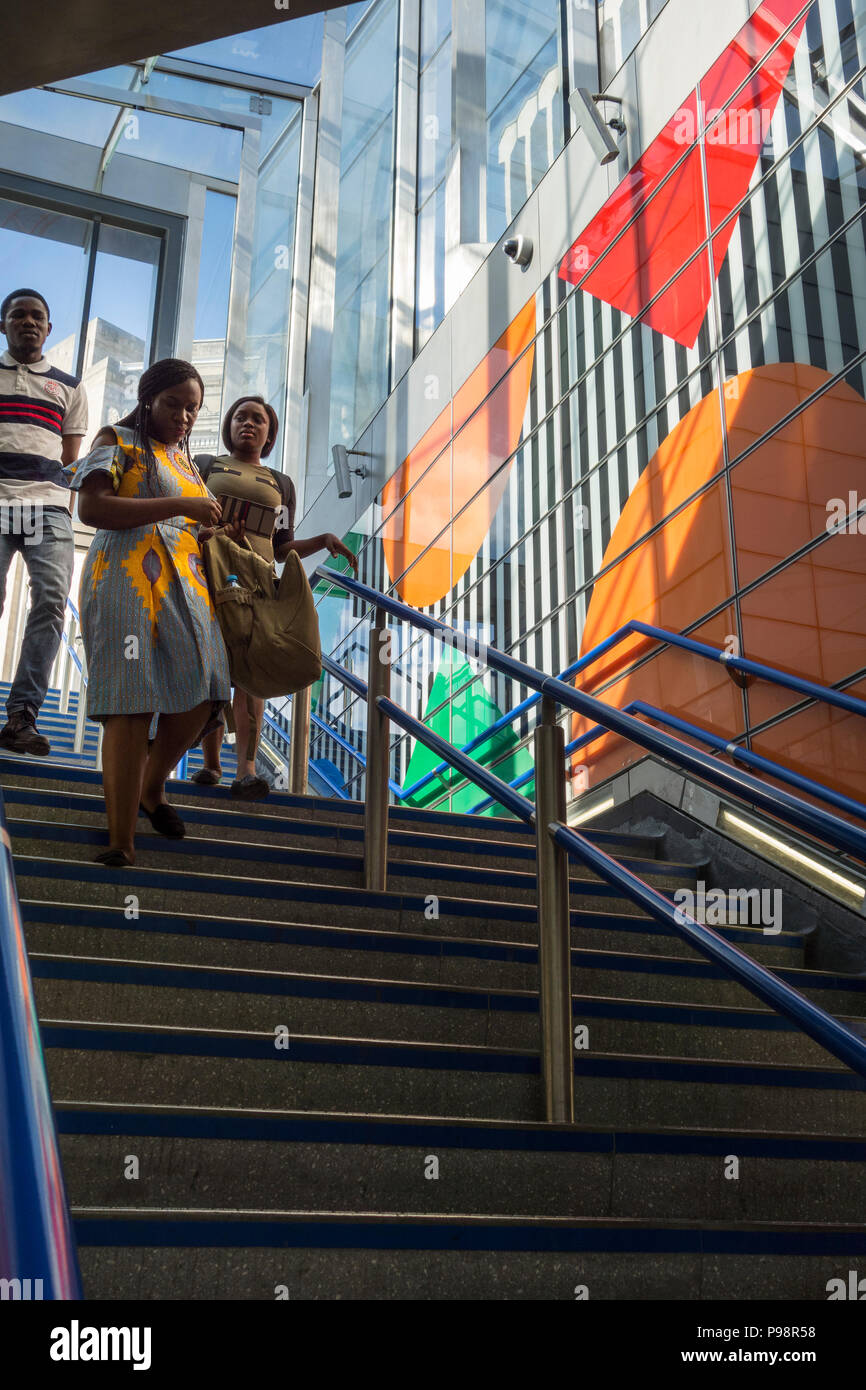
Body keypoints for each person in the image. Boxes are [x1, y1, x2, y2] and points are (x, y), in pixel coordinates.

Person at [64, 358, 230, 866]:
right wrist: (179, 508)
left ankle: (151, 787)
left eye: (193, 409)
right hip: (124, 579)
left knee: (208, 688)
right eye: (174, 404)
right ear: (148, 399)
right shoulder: (115, 439)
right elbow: (92, 510)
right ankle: (121, 840)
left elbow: (190, 521)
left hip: (188, 585)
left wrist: (211, 533)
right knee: (130, 701)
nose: (183, 416)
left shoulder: (188, 464)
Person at [193, 395, 357, 799]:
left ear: (270, 434)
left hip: (256, 585)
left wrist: (322, 540)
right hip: (206, 575)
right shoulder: (206, 466)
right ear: (229, 425)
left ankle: (245, 770)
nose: (248, 424)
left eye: (258, 420)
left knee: (252, 674)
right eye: (240, 417)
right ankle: (210, 762)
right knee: (209, 666)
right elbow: (186, 517)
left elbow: (281, 546)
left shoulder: (281, 484)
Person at [0, 288, 87, 755]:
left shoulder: (70, 386)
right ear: (3, 325)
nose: (28, 321)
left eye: (37, 316)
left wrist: (64, 508)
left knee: (51, 603)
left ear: (49, 329)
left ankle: (21, 718)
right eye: (18, 315)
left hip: (46, 507)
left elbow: (71, 461)